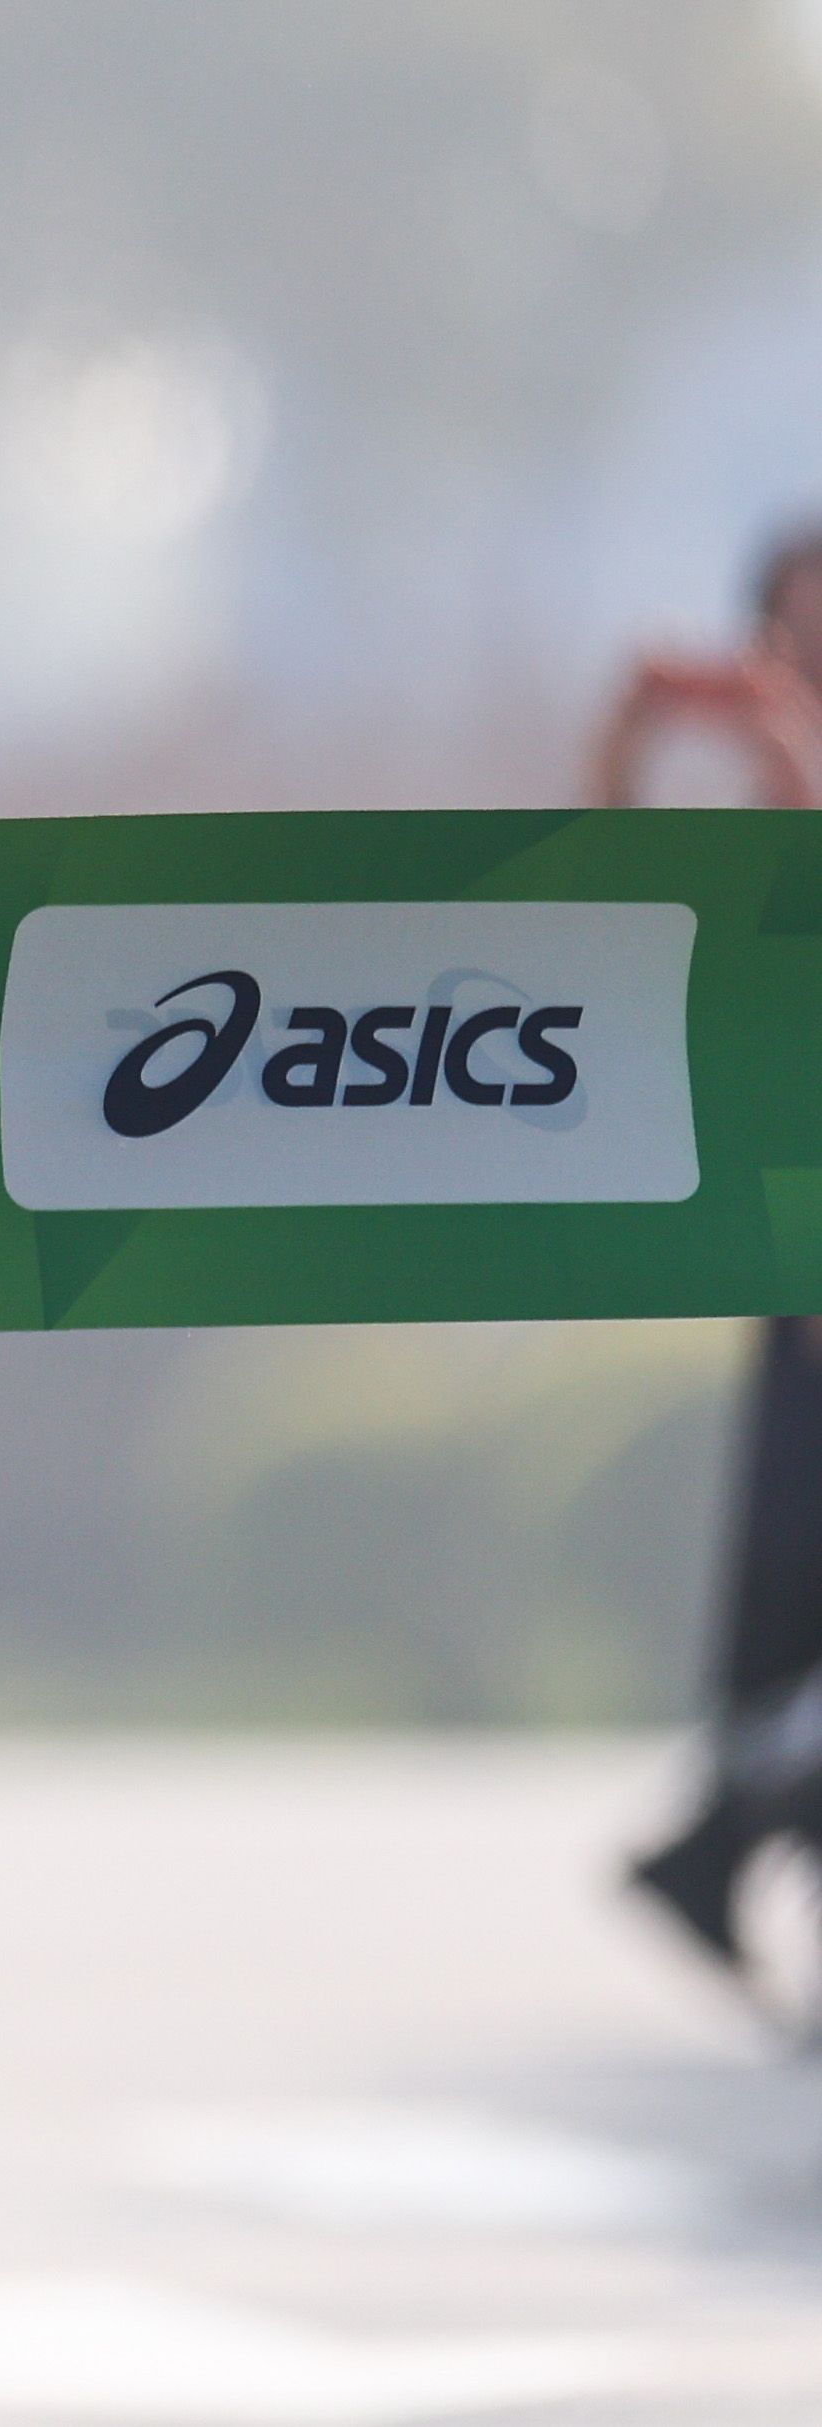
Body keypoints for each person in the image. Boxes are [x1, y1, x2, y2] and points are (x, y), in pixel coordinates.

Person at [607, 523, 822, 2015]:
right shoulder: (759, 814)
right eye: (796, 645)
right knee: (788, 1617)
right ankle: (728, 1836)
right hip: (796, 1268)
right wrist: (628, 737)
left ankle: (719, 1838)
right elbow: (594, 913)